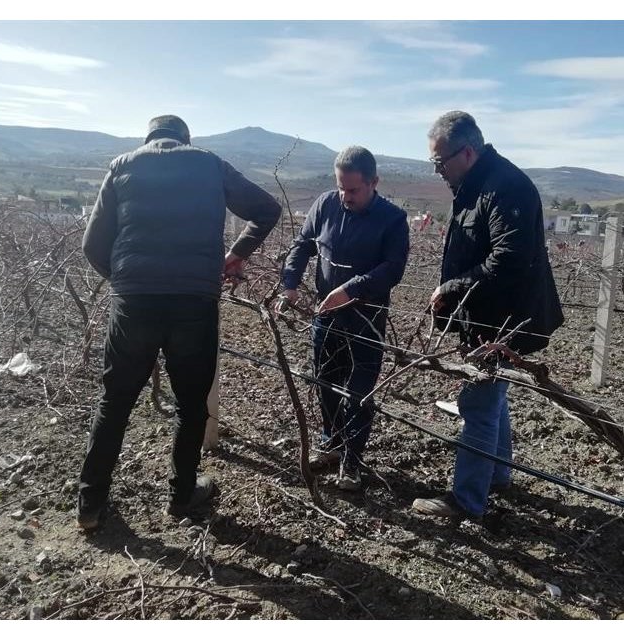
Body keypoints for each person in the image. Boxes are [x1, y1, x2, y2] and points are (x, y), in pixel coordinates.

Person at [77, 115, 281, 531]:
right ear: (185, 139)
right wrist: (237, 253)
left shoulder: (123, 165)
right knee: (190, 406)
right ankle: (181, 496)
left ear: (148, 139)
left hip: (134, 303)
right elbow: (267, 209)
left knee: (114, 403)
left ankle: (90, 505)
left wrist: (128, 281)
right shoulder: (209, 163)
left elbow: (93, 244)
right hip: (193, 302)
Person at [412, 111, 564, 519]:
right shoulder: (476, 183)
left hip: (502, 321)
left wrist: (451, 288)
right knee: (492, 394)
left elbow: (508, 259)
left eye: (439, 161)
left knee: (478, 403)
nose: (437, 170)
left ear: (467, 152)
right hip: (484, 317)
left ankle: (466, 500)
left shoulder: (505, 187)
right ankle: (497, 474)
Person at [278, 146, 410, 491]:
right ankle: (331, 443)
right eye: (341, 187)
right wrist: (290, 283)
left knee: (359, 392)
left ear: (373, 182)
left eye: (353, 190)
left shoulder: (393, 219)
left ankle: (352, 460)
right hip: (327, 315)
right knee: (325, 381)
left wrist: (352, 289)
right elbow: (303, 244)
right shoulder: (325, 204)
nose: (345, 196)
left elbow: (392, 269)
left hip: (366, 318)